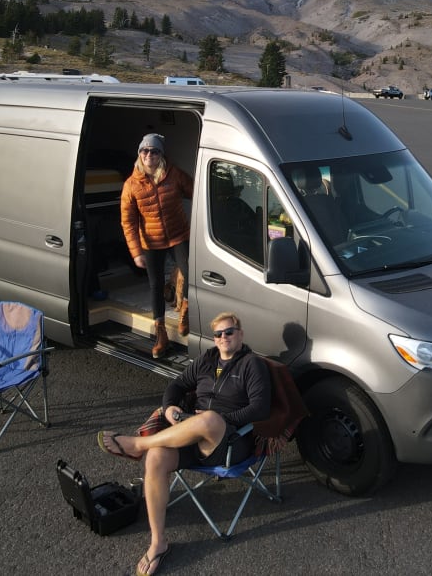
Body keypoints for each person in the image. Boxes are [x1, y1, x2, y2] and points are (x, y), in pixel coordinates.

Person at [98, 313, 270, 576]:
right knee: (156, 457)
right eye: (218, 334)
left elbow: (260, 407)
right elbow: (176, 385)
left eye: (229, 332)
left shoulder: (251, 364)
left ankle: (136, 444)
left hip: (228, 443)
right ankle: (158, 542)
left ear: (241, 334)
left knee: (209, 419)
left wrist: (221, 419)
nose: (223, 338)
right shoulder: (206, 360)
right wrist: (169, 409)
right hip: (191, 436)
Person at [120, 133, 194, 358]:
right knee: (156, 285)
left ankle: (185, 312)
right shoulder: (131, 185)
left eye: (154, 151)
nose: (149, 155)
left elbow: (196, 192)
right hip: (151, 241)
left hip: (179, 235)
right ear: (139, 155)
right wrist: (136, 253)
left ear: (161, 155)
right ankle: (160, 333)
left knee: (190, 273)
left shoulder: (174, 174)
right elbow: (128, 221)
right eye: (145, 151)